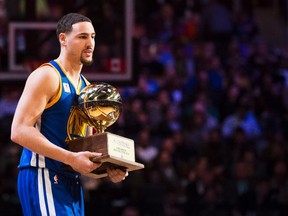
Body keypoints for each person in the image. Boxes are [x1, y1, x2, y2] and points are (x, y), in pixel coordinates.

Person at [11, 13, 128, 216]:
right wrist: (70, 158)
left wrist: (109, 167)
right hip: (44, 174)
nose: (90, 43)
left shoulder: (87, 88)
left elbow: (84, 146)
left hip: (71, 179)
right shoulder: (47, 75)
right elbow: (19, 131)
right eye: (82, 37)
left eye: (92, 36)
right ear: (63, 39)